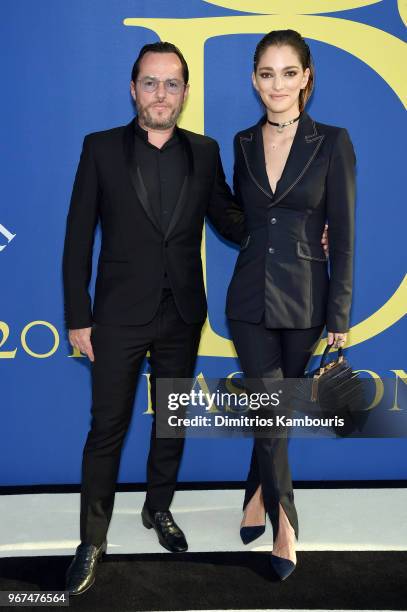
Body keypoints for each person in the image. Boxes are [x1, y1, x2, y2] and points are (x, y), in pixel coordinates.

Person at [62, 41, 246, 596]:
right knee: (107, 430)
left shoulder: (206, 152)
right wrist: (78, 316)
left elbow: (233, 219)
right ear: (133, 88)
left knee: (171, 421)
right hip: (116, 317)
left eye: (171, 84)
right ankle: (92, 540)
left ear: (185, 93)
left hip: (182, 313)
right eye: (150, 82)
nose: (160, 93)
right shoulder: (99, 149)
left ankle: (157, 508)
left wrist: (294, 226)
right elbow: (76, 241)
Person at [226, 29, 356, 580]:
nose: (275, 84)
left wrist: (340, 317)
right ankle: (286, 524)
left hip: (306, 301)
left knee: (272, 412)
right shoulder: (241, 143)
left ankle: (256, 491)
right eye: (265, 73)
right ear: (254, 79)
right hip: (248, 299)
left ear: (306, 77)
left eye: (287, 72)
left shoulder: (332, 142)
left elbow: (345, 234)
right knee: (273, 408)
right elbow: (243, 221)